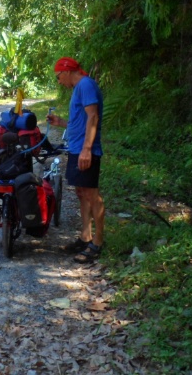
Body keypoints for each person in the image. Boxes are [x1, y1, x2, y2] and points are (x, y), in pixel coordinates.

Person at [46, 57, 105, 263]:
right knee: (81, 192)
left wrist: (87, 149)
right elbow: (79, 122)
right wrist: (60, 122)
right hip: (77, 149)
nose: (59, 81)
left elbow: (93, 117)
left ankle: (97, 243)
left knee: (91, 194)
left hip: (85, 150)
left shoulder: (86, 85)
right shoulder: (79, 89)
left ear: (67, 71)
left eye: (58, 76)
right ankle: (85, 237)